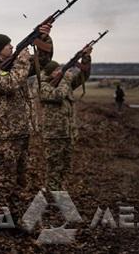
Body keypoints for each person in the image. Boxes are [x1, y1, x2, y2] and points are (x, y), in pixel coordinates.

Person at [0, 26, 53, 216]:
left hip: (20, 131)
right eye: (7, 45)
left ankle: (12, 215)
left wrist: (43, 39)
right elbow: (10, 84)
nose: (12, 47)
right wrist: (22, 60)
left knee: (19, 178)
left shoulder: (13, 66)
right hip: (5, 134)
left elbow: (43, 62)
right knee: (4, 179)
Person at [38, 47, 92, 191]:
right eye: (57, 70)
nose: (61, 71)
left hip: (68, 132)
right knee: (54, 167)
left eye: (60, 69)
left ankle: (59, 191)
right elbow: (58, 96)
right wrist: (64, 79)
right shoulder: (42, 86)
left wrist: (85, 58)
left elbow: (83, 76)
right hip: (54, 135)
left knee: (66, 166)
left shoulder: (63, 82)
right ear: (51, 73)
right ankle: (50, 193)